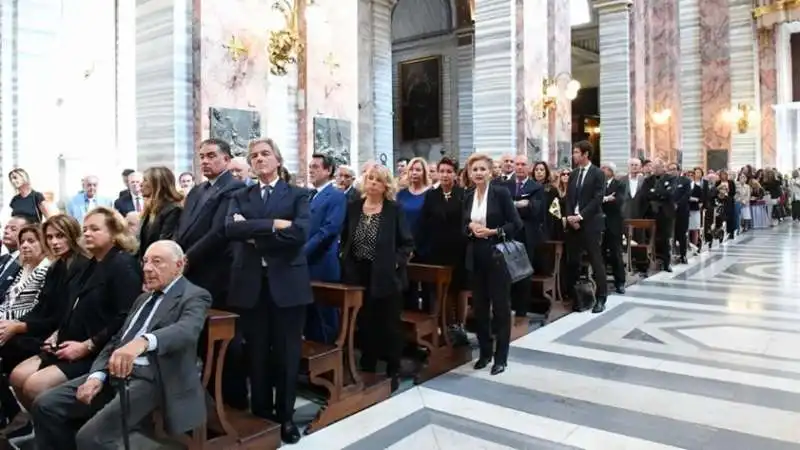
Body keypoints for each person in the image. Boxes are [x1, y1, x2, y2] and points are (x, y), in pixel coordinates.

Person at [30, 241, 211, 450]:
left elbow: (187, 330)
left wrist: (143, 342)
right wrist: (95, 376)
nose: (147, 268)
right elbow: (116, 340)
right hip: (114, 371)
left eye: (157, 262)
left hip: (154, 377)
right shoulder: (143, 298)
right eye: (145, 262)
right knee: (45, 405)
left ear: (179, 265)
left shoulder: (195, 295)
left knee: (91, 438)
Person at [225, 138, 312, 444]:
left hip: (288, 285)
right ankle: (261, 412)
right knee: (257, 352)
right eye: (254, 156)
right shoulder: (240, 195)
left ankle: (285, 417)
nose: (259, 159)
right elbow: (231, 229)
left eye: (265, 154)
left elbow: (300, 233)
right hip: (251, 285)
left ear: (278, 160)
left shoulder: (299, 195)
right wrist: (274, 224)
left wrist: (254, 232)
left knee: (287, 354)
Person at [340, 165, 414, 390]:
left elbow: (407, 243)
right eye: (369, 178)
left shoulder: (393, 209)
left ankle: (393, 367)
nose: (372, 183)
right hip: (358, 273)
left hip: (386, 274)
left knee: (388, 323)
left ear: (385, 186)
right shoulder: (354, 207)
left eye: (377, 180)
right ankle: (368, 365)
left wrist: (395, 262)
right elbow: (345, 238)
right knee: (365, 321)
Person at [463, 153, 522, 375]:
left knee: (500, 308)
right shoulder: (468, 196)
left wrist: (493, 231)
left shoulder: (500, 193)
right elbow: (462, 224)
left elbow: (515, 224)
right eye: (474, 169)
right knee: (479, 308)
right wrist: (470, 227)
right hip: (476, 256)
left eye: (481, 169)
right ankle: (485, 353)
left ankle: (501, 357)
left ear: (489, 172)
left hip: (497, 255)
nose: (478, 173)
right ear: (469, 173)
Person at [304, 153, 346, 343]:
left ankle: (329, 355)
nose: (310, 170)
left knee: (325, 315)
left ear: (328, 170)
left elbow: (329, 230)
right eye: (310, 166)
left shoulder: (336, 195)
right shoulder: (309, 194)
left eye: (315, 167)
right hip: (306, 264)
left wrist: (303, 250)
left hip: (322, 263)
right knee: (310, 315)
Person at [564, 141, 607, 313]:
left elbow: (597, 198)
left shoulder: (597, 173)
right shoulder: (574, 174)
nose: (573, 155)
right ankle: (576, 296)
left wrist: (580, 216)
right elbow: (569, 198)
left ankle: (601, 297)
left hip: (590, 223)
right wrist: (569, 217)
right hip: (573, 224)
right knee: (573, 261)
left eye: (576, 152)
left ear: (585, 154)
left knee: (596, 261)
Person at [137, 167, 183, 260]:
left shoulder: (173, 209)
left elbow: (165, 244)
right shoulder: (150, 209)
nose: (141, 184)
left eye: (145, 180)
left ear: (158, 184)